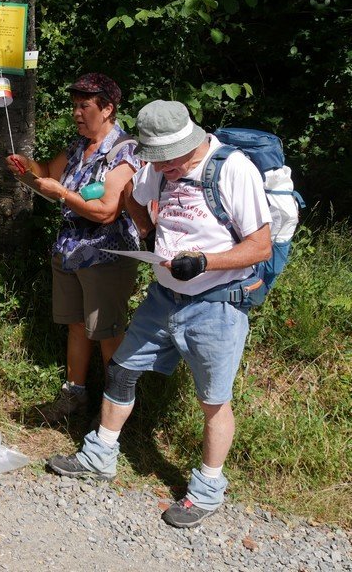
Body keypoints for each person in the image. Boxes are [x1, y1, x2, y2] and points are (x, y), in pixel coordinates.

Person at [47, 100, 272, 528]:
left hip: (217, 304)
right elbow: (135, 196)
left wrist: (204, 261)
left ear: (187, 144)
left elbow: (260, 246)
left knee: (213, 400)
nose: (160, 169)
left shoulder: (232, 169)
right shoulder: (156, 166)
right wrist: (146, 231)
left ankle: (206, 490)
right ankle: (100, 456)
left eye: (167, 161)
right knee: (122, 370)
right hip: (163, 297)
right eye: (154, 160)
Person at [5, 73, 141, 423]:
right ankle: (74, 397)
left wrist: (62, 193)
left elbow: (109, 210)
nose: (77, 114)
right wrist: (25, 168)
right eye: (74, 106)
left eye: (85, 106)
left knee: (107, 331)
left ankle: (113, 414)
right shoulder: (80, 146)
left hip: (106, 255)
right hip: (70, 249)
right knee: (78, 326)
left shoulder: (124, 151)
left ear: (108, 108)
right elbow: (48, 171)